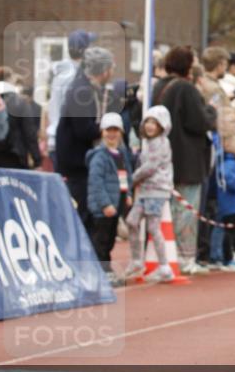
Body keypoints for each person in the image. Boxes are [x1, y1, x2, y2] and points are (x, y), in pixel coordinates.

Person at [153, 45, 216, 275]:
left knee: (167, 209)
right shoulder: (186, 89)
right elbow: (199, 121)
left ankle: (166, 256)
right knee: (186, 210)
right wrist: (211, 111)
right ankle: (185, 257)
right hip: (187, 159)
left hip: (163, 157)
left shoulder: (157, 87)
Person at [55, 46, 115, 226]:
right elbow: (83, 129)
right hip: (76, 162)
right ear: (103, 70)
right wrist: (106, 129)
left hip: (77, 160)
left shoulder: (85, 87)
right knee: (80, 214)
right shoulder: (82, 91)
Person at [125, 105, 175, 282]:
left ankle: (164, 266)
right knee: (132, 221)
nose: (150, 126)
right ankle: (137, 260)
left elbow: (150, 166)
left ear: (162, 125)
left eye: (154, 122)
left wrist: (133, 178)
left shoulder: (162, 142)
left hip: (157, 189)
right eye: (148, 122)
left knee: (153, 227)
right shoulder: (147, 142)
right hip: (146, 190)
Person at [85, 111, 133, 285]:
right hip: (103, 207)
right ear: (102, 132)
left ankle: (105, 270)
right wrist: (105, 204)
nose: (112, 134)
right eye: (108, 131)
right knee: (101, 240)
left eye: (116, 131)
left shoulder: (121, 154)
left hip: (117, 203)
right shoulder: (99, 156)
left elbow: (127, 176)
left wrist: (127, 194)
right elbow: (96, 182)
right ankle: (101, 271)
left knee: (111, 238)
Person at [47, 29, 97, 168]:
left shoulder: (65, 73)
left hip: (60, 138)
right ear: (85, 50)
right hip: (67, 142)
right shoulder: (73, 76)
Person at [0, 68, 41, 171]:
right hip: (15, 156)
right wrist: (37, 159)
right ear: (10, 81)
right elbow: (29, 133)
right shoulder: (20, 103)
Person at [209, 129, 235, 271]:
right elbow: (230, 180)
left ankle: (222, 256)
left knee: (223, 231)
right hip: (229, 204)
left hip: (230, 203)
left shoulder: (230, 161)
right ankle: (224, 258)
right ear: (227, 145)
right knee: (226, 231)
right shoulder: (228, 163)